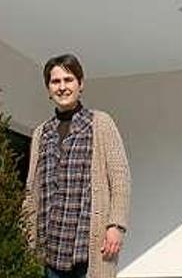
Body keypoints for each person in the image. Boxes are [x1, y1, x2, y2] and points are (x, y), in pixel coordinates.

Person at [24, 54, 131, 278]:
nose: (62, 87)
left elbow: (120, 179)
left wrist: (116, 226)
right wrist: (25, 231)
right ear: (48, 89)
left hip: (87, 247)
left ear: (80, 84)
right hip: (49, 248)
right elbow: (32, 189)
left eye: (68, 79)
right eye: (56, 81)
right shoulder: (40, 133)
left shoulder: (100, 123)